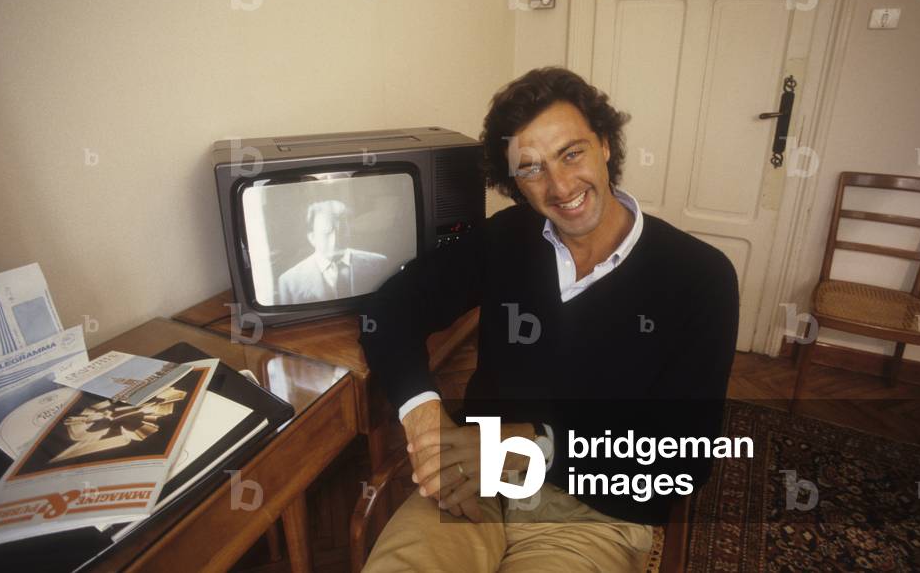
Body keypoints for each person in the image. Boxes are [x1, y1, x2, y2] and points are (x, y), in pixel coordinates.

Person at [359, 67, 739, 572]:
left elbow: (684, 460)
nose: (559, 186)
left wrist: (530, 443)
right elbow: (389, 309)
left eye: (571, 153)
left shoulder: (700, 275)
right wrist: (425, 416)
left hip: (593, 512)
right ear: (514, 180)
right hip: (475, 473)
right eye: (532, 167)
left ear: (605, 145)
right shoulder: (508, 238)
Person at [277, 199, 389, 305]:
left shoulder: (379, 264)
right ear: (312, 237)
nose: (335, 241)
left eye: (342, 231)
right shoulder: (289, 282)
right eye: (326, 233)